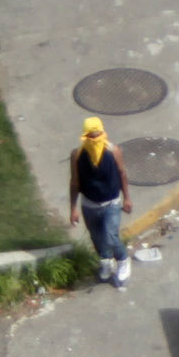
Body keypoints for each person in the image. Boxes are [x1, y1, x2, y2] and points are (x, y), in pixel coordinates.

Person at [70, 117, 133, 282]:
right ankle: (106, 262)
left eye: (97, 136)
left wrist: (127, 198)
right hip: (89, 204)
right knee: (97, 238)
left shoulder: (113, 151)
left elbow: (122, 173)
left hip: (111, 202)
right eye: (90, 137)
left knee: (110, 236)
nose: (94, 141)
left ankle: (123, 260)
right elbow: (75, 181)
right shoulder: (77, 155)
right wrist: (73, 208)